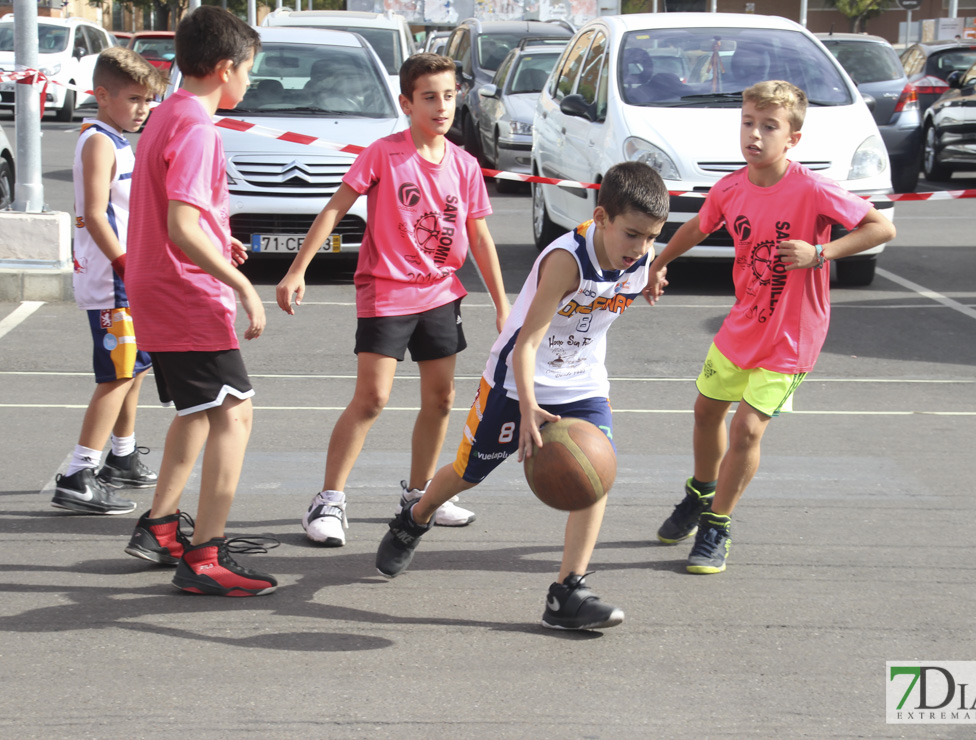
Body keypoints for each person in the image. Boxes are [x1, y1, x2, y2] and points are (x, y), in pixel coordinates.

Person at [374, 161, 669, 631]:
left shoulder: (642, 257)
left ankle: (567, 592)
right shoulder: (565, 261)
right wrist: (528, 404)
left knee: (595, 474)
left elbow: (667, 247)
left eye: (652, 237)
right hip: (517, 381)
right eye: (633, 235)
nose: (642, 248)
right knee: (470, 472)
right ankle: (415, 515)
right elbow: (527, 343)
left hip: (583, 383)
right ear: (600, 218)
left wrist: (655, 270)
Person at [645, 80, 896, 575]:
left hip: (792, 336)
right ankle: (700, 493)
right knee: (705, 413)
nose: (754, 135)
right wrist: (659, 261)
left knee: (746, 429)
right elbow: (699, 225)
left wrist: (821, 252)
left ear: (793, 139)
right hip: (743, 324)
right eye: (747, 123)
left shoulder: (812, 189)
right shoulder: (731, 188)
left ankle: (718, 527)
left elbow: (881, 227)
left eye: (768, 126)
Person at [276, 52, 509, 548]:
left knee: (441, 399)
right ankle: (328, 501)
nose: (441, 106)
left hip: (441, 292)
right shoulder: (384, 154)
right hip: (386, 290)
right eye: (429, 97)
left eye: (449, 96)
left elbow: (481, 238)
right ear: (406, 103)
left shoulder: (465, 165)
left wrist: (502, 304)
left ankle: (422, 495)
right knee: (372, 398)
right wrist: (298, 269)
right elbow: (336, 207)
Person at [121, 7, 277, 597]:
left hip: (158, 284)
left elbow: (181, 210)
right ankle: (205, 557)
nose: (248, 82)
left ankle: (162, 525)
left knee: (199, 410)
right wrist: (241, 285)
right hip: (184, 291)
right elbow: (181, 224)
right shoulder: (197, 127)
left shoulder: (168, 114)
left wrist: (218, 232)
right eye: (248, 71)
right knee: (235, 412)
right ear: (224, 67)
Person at [51, 47, 167, 516]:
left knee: (134, 368)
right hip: (113, 280)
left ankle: (121, 456)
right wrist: (125, 263)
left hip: (125, 275)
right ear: (101, 95)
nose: (144, 109)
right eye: (135, 99)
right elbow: (94, 214)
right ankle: (79, 473)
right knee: (118, 373)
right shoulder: (99, 141)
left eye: (149, 101)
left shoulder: (117, 138)